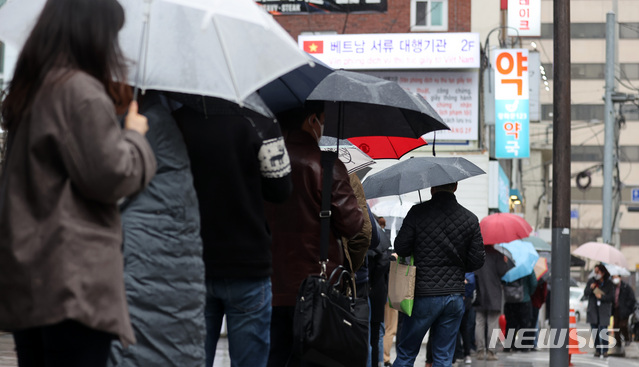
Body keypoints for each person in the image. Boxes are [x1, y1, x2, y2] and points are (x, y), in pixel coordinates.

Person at [0, 1, 156, 366]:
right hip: (72, 280)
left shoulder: (33, 87)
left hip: (32, 277)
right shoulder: (80, 92)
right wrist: (134, 137)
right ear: (93, 34)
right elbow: (112, 175)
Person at [174, 95, 293, 367]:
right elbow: (281, 190)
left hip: (191, 263)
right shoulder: (259, 121)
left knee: (191, 360)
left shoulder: (175, 121)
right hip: (247, 263)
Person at [107, 91, 206, 367]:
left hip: (144, 277)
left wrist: (132, 137)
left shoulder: (143, 124)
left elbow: (110, 186)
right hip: (170, 289)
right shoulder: (159, 122)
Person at [265, 101, 364, 367]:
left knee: (273, 355)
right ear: (312, 121)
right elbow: (353, 225)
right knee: (313, 358)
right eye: (323, 120)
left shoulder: (262, 161)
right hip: (316, 287)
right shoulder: (326, 165)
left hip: (268, 283)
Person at [392, 182, 486, 367]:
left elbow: (401, 248)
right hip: (454, 296)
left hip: (422, 294)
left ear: (431, 188)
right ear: (456, 187)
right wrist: (457, 267)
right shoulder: (470, 218)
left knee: (406, 353)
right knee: (443, 357)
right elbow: (477, 261)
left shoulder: (417, 212)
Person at [473, 244, 513, 361]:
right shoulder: (497, 255)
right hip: (494, 294)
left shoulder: (477, 254)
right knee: (492, 323)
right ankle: (491, 352)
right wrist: (504, 262)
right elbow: (503, 272)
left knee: (479, 322)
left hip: (480, 292)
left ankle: (480, 351)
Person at [584, 263, 615, 358]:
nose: (596, 274)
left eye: (597, 272)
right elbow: (586, 293)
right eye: (595, 272)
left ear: (603, 272)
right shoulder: (591, 282)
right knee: (595, 330)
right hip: (593, 309)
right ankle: (597, 349)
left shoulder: (609, 284)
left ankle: (605, 350)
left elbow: (611, 297)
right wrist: (591, 288)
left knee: (603, 330)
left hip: (604, 310)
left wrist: (602, 297)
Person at [502, 271, 537, 352]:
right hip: (524, 300)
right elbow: (534, 283)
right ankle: (524, 346)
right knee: (524, 323)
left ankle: (508, 345)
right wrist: (528, 293)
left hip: (510, 300)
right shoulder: (527, 268)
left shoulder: (509, 267)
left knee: (510, 324)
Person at [611, 274, 636, 348]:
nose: (615, 279)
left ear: (620, 277)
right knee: (615, 326)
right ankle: (618, 342)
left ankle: (627, 339)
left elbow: (632, 299)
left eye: (616, 277)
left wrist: (627, 308)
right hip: (615, 309)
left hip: (624, 310)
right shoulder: (612, 287)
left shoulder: (626, 287)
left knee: (623, 325)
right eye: (613, 277)